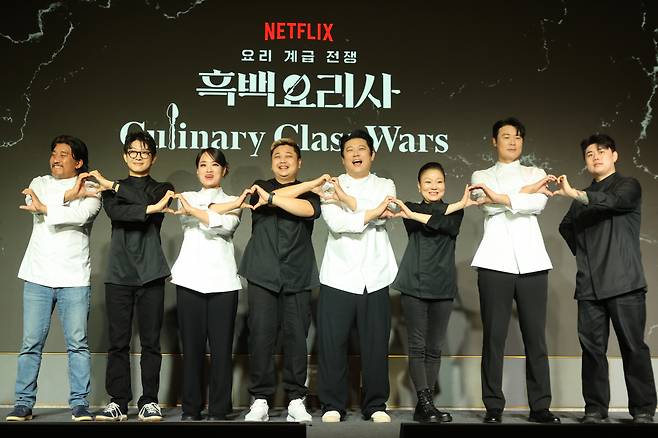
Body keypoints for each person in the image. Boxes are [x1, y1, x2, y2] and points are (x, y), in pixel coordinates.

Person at [556, 134, 657, 424]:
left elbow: (613, 202)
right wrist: (586, 255)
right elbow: (566, 228)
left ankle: (643, 409)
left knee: (633, 347)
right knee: (592, 351)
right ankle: (595, 408)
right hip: (589, 286)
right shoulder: (581, 197)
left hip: (625, 282)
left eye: (601, 151)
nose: (595, 157)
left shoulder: (628, 186)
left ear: (614, 155)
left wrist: (576, 194)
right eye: (589, 154)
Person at [469, 117, 560, 424]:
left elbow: (537, 205)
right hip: (495, 262)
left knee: (535, 337)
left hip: (533, 262)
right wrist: (524, 193)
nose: (512, 141)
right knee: (494, 336)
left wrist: (507, 196)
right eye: (506, 136)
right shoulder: (481, 174)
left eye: (518, 137)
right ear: (494, 141)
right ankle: (493, 405)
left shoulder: (537, 172)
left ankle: (540, 406)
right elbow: (484, 203)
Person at [6, 135, 101, 422]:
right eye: (54, 153)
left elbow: (81, 217)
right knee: (31, 343)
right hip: (38, 275)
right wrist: (69, 197)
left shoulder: (92, 187)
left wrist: (49, 207)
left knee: (77, 344)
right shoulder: (39, 183)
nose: (56, 158)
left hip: (74, 276)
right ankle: (23, 403)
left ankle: (80, 404)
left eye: (63, 154)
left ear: (79, 161)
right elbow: (31, 201)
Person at [90, 131, 175, 422]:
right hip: (119, 273)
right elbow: (118, 214)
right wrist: (146, 208)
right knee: (118, 342)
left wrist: (114, 185)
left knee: (151, 342)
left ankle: (149, 400)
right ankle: (118, 401)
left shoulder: (163, 187)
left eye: (144, 152)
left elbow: (151, 204)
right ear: (125, 155)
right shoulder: (110, 192)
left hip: (151, 272)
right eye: (133, 152)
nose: (138, 156)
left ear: (153, 157)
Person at [238, 138, 322, 423]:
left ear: (299, 163)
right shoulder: (260, 187)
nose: (283, 160)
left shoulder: (310, 196)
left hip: (297, 275)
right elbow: (267, 199)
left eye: (289, 156)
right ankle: (260, 399)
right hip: (262, 272)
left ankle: (296, 399)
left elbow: (308, 211)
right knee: (260, 336)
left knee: (297, 337)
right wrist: (275, 195)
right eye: (277, 156)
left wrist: (296, 191)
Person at [317, 128, 398, 423]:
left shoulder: (385, 184)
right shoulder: (330, 187)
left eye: (361, 149)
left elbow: (385, 212)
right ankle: (332, 405)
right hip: (338, 274)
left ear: (372, 155)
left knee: (376, 344)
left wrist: (348, 202)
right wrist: (366, 211)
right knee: (332, 344)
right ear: (342, 158)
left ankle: (375, 404)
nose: (355, 154)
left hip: (375, 274)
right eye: (349, 150)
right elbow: (337, 224)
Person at [391, 162, 480, 423]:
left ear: (445, 184)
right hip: (414, 284)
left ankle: (424, 406)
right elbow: (427, 218)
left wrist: (411, 213)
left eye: (439, 181)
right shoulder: (414, 206)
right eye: (428, 182)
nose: (433, 186)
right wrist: (411, 213)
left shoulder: (455, 213)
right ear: (419, 186)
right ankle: (426, 403)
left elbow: (443, 223)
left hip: (443, 285)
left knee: (435, 348)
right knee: (417, 346)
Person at [169, 150, 252, 421]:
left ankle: (219, 408)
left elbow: (225, 227)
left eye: (214, 164)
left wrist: (203, 213)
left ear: (224, 170)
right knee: (191, 349)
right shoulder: (187, 198)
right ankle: (191, 408)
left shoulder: (234, 201)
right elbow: (189, 216)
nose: (208, 169)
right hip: (189, 279)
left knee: (221, 349)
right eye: (203, 164)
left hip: (223, 282)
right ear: (196, 171)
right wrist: (198, 211)